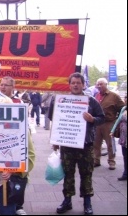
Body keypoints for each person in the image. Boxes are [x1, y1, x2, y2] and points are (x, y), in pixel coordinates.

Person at [49, 72, 105, 215]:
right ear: (69, 84)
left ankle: (87, 202)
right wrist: (55, 140)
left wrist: (92, 119)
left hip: (86, 145)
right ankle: (67, 200)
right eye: (73, 82)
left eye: (78, 83)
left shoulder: (91, 101)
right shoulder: (60, 100)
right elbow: (53, 118)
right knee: (68, 173)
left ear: (83, 84)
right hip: (67, 145)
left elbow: (101, 118)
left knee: (86, 174)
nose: (75, 85)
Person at [0, 76, 35, 215]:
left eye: (6, 85)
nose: (2, 87)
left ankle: (18, 204)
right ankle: (0, 201)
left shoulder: (19, 103)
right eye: (1, 84)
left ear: (12, 87)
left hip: (15, 142)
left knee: (17, 175)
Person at [94, 77, 125, 170]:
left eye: (101, 84)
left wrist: (117, 120)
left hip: (109, 123)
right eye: (98, 84)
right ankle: (96, 160)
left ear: (106, 85)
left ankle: (111, 162)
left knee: (110, 144)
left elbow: (122, 108)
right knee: (96, 143)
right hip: (97, 123)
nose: (99, 86)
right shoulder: (96, 96)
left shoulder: (114, 96)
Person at [110, 94, 127, 181]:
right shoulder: (124, 109)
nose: (126, 99)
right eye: (125, 98)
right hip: (124, 137)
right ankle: (125, 173)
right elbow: (118, 120)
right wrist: (112, 131)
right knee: (125, 155)